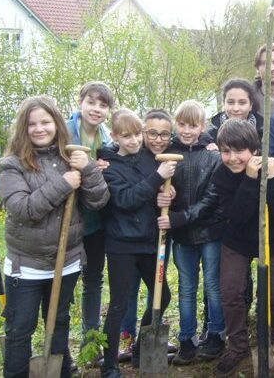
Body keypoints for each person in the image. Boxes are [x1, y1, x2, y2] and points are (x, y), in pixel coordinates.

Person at [0, 95, 109, 378]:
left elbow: (98, 201)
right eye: (32, 124)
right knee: (19, 328)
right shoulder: (12, 165)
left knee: (59, 322)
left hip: (67, 261)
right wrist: (64, 184)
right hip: (27, 266)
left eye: (45, 122)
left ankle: (60, 373)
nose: (39, 128)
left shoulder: (70, 158)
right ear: (23, 129)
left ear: (56, 124)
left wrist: (87, 169)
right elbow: (23, 210)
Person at [212, 119, 274, 377]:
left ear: (255, 150)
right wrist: (249, 180)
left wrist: (272, 179)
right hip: (237, 240)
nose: (233, 158)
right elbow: (237, 216)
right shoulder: (222, 175)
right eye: (227, 151)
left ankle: (267, 336)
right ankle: (237, 345)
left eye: (240, 151)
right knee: (231, 290)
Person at [99, 109, 175, 378]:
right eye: (126, 136)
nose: (133, 141)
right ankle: (109, 364)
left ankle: (141, 349)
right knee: (118, 304)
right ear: (114, 136)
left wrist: (166, 192)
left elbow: (156, 189)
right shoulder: (107, 166)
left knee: (162, 296)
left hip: (150, 241)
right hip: (121, 243)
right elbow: (125, 199)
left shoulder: (148, 158)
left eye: (136, 135)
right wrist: (158, 177)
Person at [156, 100, 226, 365]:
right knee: (186, 288)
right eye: (182, 124)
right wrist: (164, 195)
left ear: (202, 126)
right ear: (176, 123)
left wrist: (180, 218)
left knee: (213, 286)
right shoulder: (167, 154)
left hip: (209, 233)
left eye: (193, 125)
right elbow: (158, 189)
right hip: (182, 237)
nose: (187, 130)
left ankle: (217, 335)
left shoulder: (213, 156)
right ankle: (187, 339)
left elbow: (211, 198)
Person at [67, 81, 114, 345]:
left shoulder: (107, 139)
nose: (96, 109)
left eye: (103, 105)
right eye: (91, 102)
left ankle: (90, 339)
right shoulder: (64, 132)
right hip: (68, 221)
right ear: (80, 102)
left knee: (93, 280)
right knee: (64, 285)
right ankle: (60, 348)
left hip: (96, 221)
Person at [206, 78, 265, 149]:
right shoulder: (210, 136)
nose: (236, 108)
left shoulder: (264, 134)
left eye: (242, 103)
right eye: (230, 102)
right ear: (224, 104)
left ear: (251, 105)